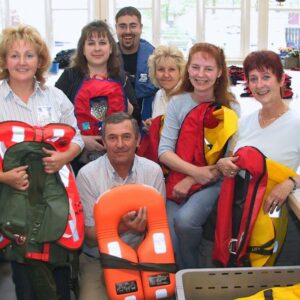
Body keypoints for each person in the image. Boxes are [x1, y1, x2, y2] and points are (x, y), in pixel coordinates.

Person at [0, 25, 84, 300]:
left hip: (54, 194)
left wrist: (64, 157)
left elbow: (78, 138)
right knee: (23, 269)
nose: (22, 62)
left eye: (29, 55)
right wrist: (4, 177)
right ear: (4, 60)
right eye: (14, 55)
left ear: (40, 60)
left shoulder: (55, 96)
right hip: (13, 196)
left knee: (58, 262)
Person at [158, 42, 239, 270]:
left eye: (208, 69)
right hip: (177, 180)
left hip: (214, 182)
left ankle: (192, 280)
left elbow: (230, 158)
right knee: (171, 240)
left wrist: (194, 179)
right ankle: (186, 280)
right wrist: (193, 173)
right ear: (188, 69)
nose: (200, 75)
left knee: (184, 222)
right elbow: (164, 152)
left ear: (220, 72)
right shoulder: (177, 103)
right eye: (195, 67)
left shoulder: (230, 107)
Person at [216, 50, 300, 266]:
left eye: (266, 77)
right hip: (240, 206)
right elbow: (233, 159)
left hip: (271, 212)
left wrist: (290, 183)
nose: (260, 84)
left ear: (281, 79)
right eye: (253, 79)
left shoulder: (296, 123)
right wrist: (224, 163)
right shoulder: (246, 121)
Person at [76, 112, 165, 300]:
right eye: (112, 138)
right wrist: (124, 226)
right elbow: (90, 237)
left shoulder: (152, 171)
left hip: (142, 253)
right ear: (104, 142)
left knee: (161, 293)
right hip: (98, 258)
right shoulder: (87, 175)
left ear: (138, 140)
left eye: (126, 137)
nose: (120, 144)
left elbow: (158, 228)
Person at [55, 20, 140, 174]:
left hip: (116, 157)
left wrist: (129, 109)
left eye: (102, 42)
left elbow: (136, 118)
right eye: (91, 43)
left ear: (110, 48)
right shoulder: (70, 76)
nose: (97, 48)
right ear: (82, 49)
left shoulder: (120, 77)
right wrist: (81, 141)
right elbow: (55, 119)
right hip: (77, 158)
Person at [115, 6, 158, 121]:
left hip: (148, 121)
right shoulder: (106, 58)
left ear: (141, 28)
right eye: (122, 26)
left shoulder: (155, 58)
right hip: (116, 120)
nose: (128, 31)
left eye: (133, 26)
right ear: (116, 28)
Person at [142, 45, 186, 130]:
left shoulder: (188, 97)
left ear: (180, 71)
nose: (166, 75)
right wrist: (153, 126)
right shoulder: (159, 94)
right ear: (154, 72)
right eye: (161, 69)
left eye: (172, 69)